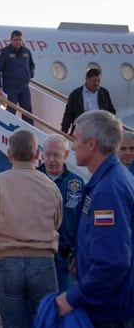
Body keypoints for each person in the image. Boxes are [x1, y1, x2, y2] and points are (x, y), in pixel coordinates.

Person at [0, 129, 62, 328]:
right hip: (43, 263)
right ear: (37, 155)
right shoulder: (51, 186)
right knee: (47, 322)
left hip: (7, 264)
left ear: (9, 154)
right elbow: (57, 221)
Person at [55, 110, 134, 327]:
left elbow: (113, 262)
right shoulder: (112, 179)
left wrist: (73, 296)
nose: (72, 147)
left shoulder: (108, 191)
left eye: (76, 139)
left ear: (91, 145)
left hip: (112, 310)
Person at [38, 134, 84, 292]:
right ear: (41, 153)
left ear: (65, 155)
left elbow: (82, 223)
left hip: (64, 258)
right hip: (37, 257)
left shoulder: (76, 184)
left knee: (63, 305)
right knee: (40, 307)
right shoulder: (32, 180)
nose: (51, 159)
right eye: (47, 154)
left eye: (56, 155)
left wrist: (78, 254)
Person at [0, 30, 36, 124]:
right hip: (10, 87)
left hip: (24, 87)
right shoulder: (4, 52)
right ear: (11, 40)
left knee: (27, 111)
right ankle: (8, 129)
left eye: (20, 40)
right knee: (11, 110)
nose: (18, 42)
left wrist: (29, 75)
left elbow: (31, 66)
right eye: (15, 40)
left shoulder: (26, 52)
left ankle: (29, 132)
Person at [61, 68, 116, 135]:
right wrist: (63, 133)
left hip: (100, 130)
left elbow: (111, 111)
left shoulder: (104, 93)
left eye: (98, 81)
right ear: (87, 79)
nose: (96, 83)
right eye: (94, 81)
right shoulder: (76, 94)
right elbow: (68, 115)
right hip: (82, 130)